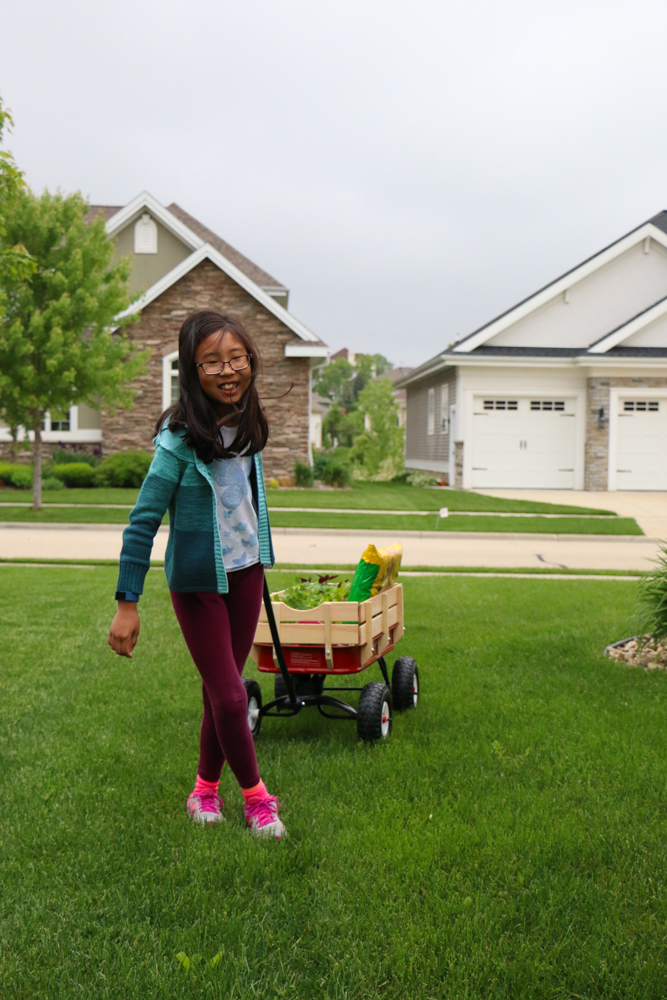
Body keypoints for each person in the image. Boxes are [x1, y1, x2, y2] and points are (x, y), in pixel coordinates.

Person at [107, 310, 286, 839]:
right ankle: (258, 800)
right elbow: (141, 523)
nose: (228, 370)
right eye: (212, 362)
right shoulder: (177, 441)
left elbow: (247, 506)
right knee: (232, 696)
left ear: (250, 361)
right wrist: (127, 601)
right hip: (197, 583)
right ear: (192, 370)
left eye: (237, 358)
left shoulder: (249, 425)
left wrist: (258, 551)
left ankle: (204, 790)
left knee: (220, 693)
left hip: (246, 574)